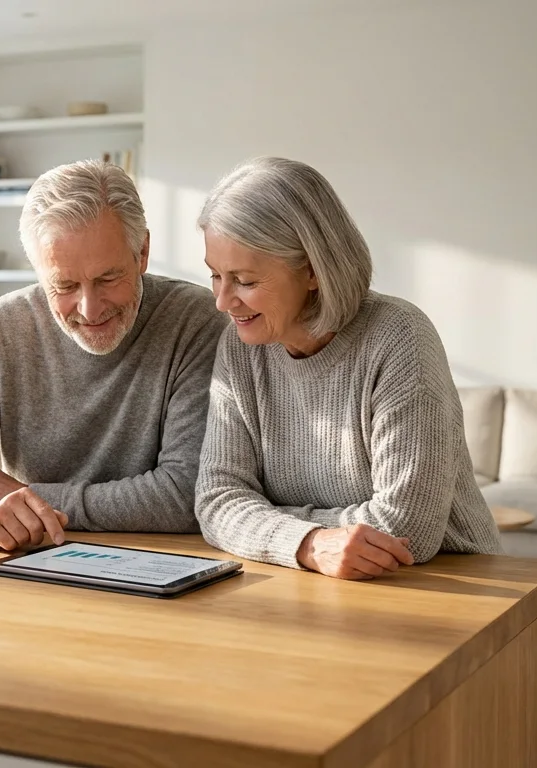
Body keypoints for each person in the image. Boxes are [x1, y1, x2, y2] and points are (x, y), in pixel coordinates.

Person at [193, 156, 502, 580]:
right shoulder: (241, 347)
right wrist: (308, 542)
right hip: (317, 579)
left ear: (313, 270)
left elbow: (406, 527)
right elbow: (216, 500)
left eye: (245, 281)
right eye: (215, 275)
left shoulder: (400, 338)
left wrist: (267, 519)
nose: (223, 301)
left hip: (449, 584)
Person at [0, 160, 227, 551]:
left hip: (166, 560)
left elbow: (187, 493)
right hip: (33, 557)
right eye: (64, 285)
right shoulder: (0, 328)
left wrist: (30, 496)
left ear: (142, 252)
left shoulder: (196, 321)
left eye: (107, 278)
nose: (89, 309)